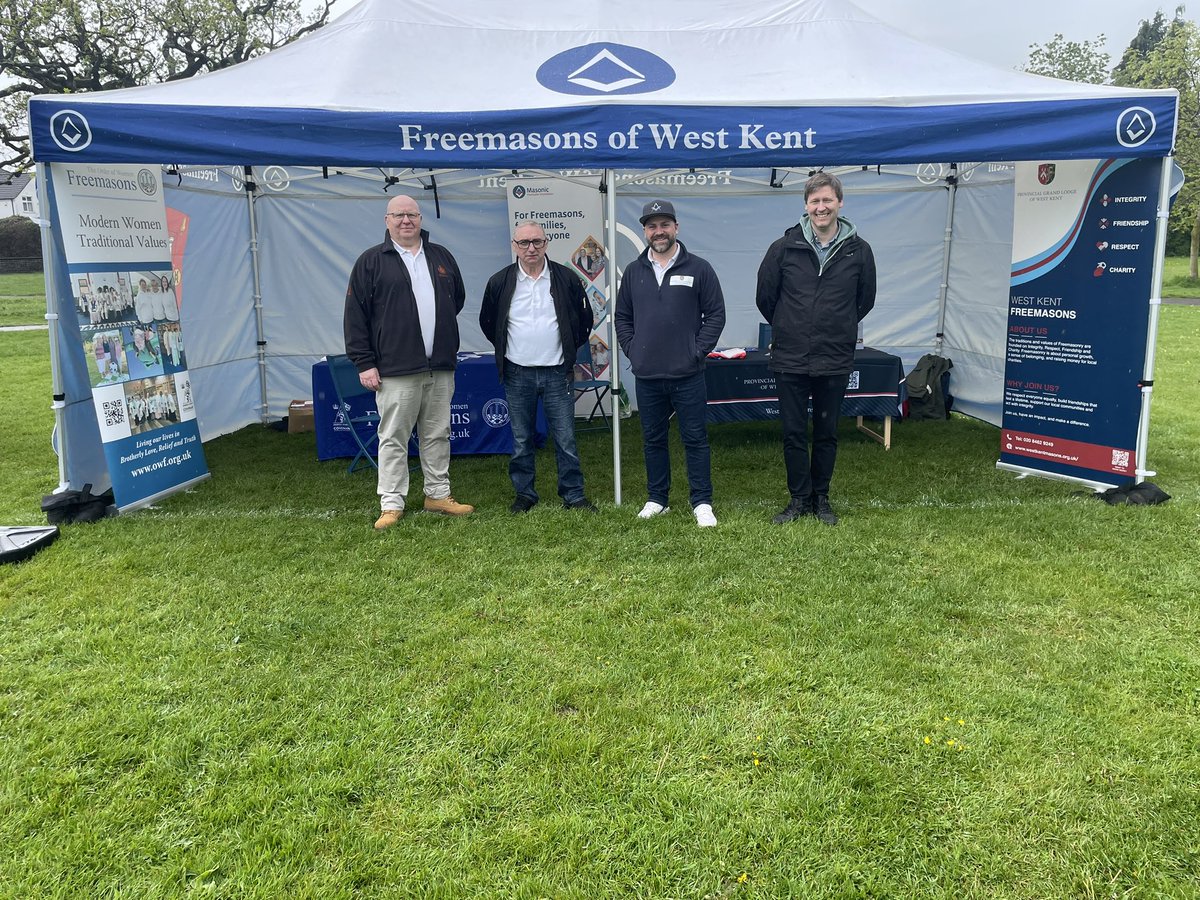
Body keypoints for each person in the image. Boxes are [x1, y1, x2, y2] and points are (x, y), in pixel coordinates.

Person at [344, 194, 474, 529]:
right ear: (387, 220)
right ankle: (391, 503)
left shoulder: (440, 256)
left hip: (440, 365)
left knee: (437, 433)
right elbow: (355, 316)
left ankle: (438, 494)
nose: (406, 221)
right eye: (399, 215)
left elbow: (455, 299)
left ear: (420, 219)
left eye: (412, 215)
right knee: (394, 437)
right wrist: (364, 362)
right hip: (396, 368)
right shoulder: (371, 261)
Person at [755, 172, 877, 526]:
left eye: (827, 200)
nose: (821, 207)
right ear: (805, 206)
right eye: (814, 201)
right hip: (790, 357)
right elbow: (766, 298)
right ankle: (798, 499)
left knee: (826, 432)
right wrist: (790, 326)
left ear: (840, 203)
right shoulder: (783, 247)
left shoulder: (859, 250)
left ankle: (821, 498)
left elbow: (864, 300)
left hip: (834, 356)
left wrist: (836, 326)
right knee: (793, 432)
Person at [615, 199, 726, 528]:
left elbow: (715, 314)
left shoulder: (699, 268)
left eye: (664, 225)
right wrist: (633, 350)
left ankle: (702, 502)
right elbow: (623, 317)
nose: (658, 231)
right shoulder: (635, 271)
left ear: (676, 227)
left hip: (688, 373)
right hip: (647, 374)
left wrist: (698, 349)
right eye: (652, 226)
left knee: (695, 439)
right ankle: (657, 499)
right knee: (653, 439)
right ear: (645, 231)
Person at [479, 222, 597, 513]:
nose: (530, 248)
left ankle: (573, 495)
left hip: (558, 372)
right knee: (521, 439)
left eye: (536, 242)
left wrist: (567, 349)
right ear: (514, 245)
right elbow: (488, 323)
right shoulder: (500, 281)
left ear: (546, 243)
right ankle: (525, 494)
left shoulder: (566, 278)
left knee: (566, 438)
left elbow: (584, 321)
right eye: (523, 243)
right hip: (517, 372)